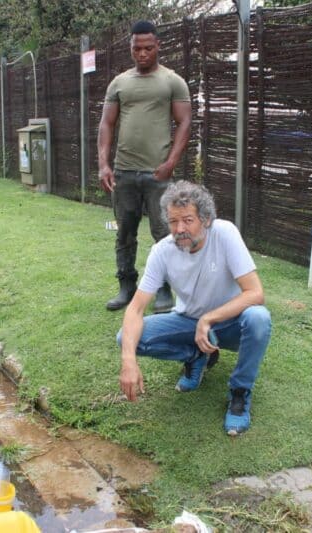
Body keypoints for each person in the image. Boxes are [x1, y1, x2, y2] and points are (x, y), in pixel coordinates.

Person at [117, 181, 272, 435]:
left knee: (259, 319)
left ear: (206, 219)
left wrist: (208, 319)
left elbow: (255, 293)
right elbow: (135, 310)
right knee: (127, 338)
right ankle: (196, 355)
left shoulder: (225, 233)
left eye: (188, 220)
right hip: (188, 321)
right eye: (173, 221)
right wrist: (128, 361)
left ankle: (240, 393)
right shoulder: (162, 251)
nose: (180, 229)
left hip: (231, 322)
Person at [98, 20, 192, 313]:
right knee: (124, 233)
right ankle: (127, 285)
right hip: (124, 172)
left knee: (163, 234)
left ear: (158, 46)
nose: (142, 54)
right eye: (136, 48)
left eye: (148, 48)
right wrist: (103, 163)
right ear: (131, 47)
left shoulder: (172, 81)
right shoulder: (119, 83)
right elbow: (106, 123)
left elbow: (185, 122)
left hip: (158, 175)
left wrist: (171, 163)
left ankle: (163, 289)